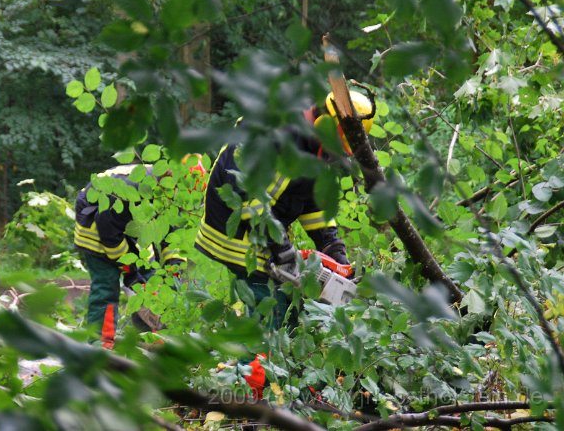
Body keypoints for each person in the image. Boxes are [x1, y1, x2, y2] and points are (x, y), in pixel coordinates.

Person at [194, 90, 375, 397]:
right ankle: (249, 395)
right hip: (236, 230)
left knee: (288, 307)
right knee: (266, 312)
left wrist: (334, 251)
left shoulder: (315, 146)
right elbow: (256, 205)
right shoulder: (284, 141)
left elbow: (312, 202)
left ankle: (279, 382)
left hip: (263, 225)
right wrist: (283, 250)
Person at [74, 159, 206, 349]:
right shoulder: (136, 190)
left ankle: (152, 335)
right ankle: (100, 342)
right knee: (107, 284)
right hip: (95, 221)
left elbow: (171, 236)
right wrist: (129, 271)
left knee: (149, 276)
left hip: (128, 226)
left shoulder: (169, 197)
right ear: (172, 180)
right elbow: (107, 228)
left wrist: (173, 271)